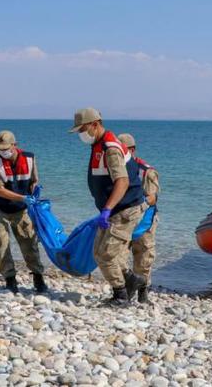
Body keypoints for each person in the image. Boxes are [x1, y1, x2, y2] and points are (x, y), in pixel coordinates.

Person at [69, 108, 147, 307]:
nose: (80, 134)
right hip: (114, 209)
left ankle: (120, 295)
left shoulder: (110, 148)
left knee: (106, 255)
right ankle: (131, 280)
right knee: (99, 252)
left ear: (95, 124)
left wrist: (107, 208)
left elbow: (122, 181)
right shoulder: (98, 144)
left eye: (82, 129)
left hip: (125, 209)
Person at [0, 130, 48, 294]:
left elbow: (34, 180)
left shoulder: (29, 159)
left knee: (29, 243)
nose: (3, 151)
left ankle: (38, 277)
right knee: (2, 241)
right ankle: (10, 278)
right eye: (0, 148)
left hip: (21, 211)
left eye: (6, 148)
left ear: (14, 145)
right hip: (0, 208)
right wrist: (23, 197)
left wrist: (35, 190)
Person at [118, 133, 160, 304]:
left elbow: (152, 198)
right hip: (122, 219)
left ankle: (143, 292)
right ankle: (125, 288)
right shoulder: (115, 169)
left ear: (132, 150)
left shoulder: (147, 172)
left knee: (144, 256)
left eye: (123, 150)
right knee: (117, 255)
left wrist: (139, 206)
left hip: (144, 219)